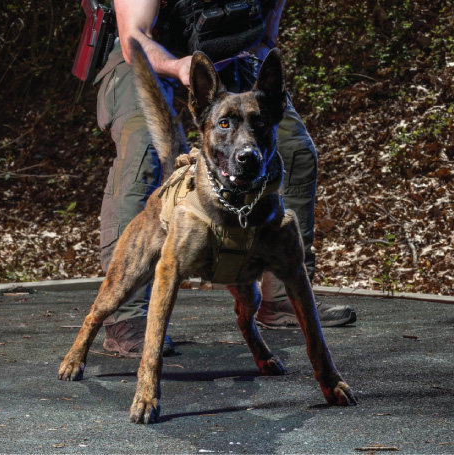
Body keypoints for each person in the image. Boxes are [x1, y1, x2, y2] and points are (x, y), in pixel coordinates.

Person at [93, 0, 356, 358]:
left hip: (224, 57)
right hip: (147, 57)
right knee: (144, 151)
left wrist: (259, 47)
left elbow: (269, 14)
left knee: (295, 149)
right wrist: (180, 66)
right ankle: (126, 316)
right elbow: (133, 38)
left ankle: (282, 296)